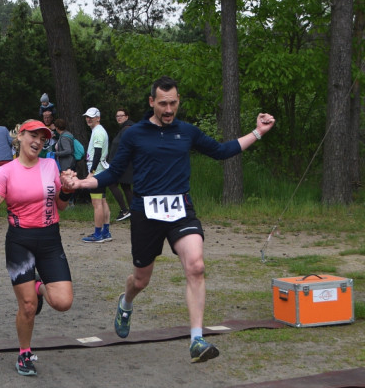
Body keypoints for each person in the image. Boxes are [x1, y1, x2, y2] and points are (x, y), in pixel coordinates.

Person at [61, 76, 276, 363]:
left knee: (196, 266)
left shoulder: (186, 132)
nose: (168, 109)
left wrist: (258, 132)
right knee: (140, 280)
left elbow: (222, 151)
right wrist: (80, 185)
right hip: (145, 212)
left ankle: (197, 339)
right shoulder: (134, 134)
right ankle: (125, 304)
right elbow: (112, 174)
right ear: (152, 102)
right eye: (163, 103)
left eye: (173, 103)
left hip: (180, 209)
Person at [0, 119, 75, 377]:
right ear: (20, 137)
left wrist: (67, 190)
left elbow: (61, 205)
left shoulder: (50, 165)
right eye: (33, 136)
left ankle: (38, 285)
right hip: (20, 242)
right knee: (27, 306)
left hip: (49, 240)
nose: (38, 142)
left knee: (63, 302)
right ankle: (24, 352)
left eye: (43, 138)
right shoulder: (7, 171)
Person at [80, 107, 111, 243]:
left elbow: (97, 153)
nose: (88, 119)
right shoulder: (99, 130)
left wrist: (91, 173)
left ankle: (98, 234)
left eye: (91, 117)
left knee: (97, 203)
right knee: (103, 201)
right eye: (87, 117)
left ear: (98, 118)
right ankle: (106, 231)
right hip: (101, 170)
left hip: (97, 171)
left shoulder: (98, 132)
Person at [109, 108, 135, 222]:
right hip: (124, 164)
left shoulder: (127, 129)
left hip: (123, 164)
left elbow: (126, 148)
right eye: (117, 116)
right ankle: (134, 212)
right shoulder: (124, 129)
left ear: (126, 116)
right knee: (126, 187)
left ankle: (125, 210)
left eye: (121, 115)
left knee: (112, 184)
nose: (119, 117)